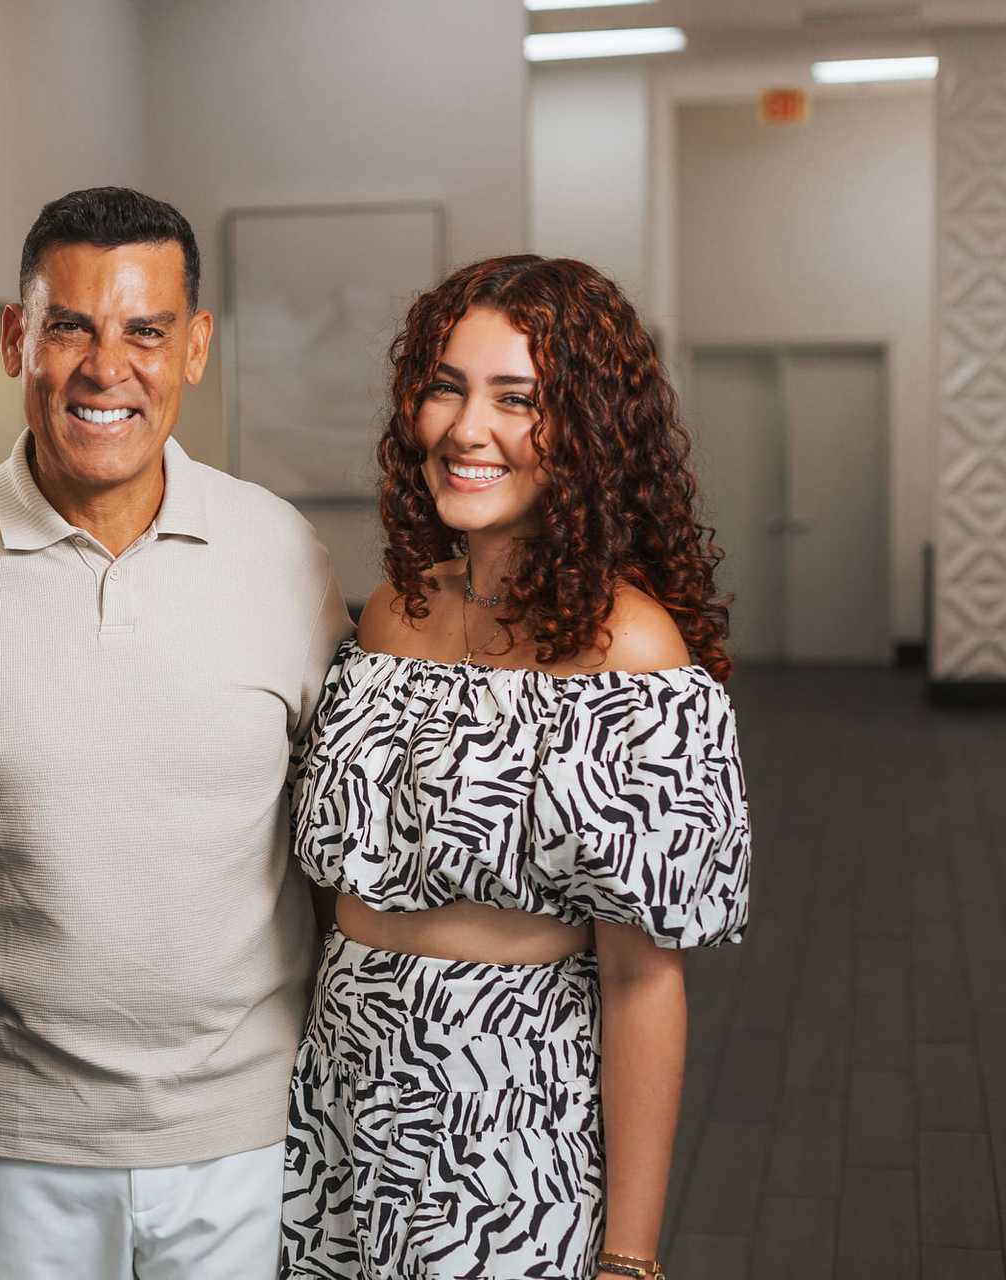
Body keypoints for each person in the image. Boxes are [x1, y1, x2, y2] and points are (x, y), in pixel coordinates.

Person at [0, 186, 352, 1278]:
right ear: (14, 338)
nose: (105, 365)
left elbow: (330, 845)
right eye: (71, 325)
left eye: (145, 329)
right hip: (8, 1133)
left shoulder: (285, 555)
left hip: (247, 1130)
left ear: (195, 347)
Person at [281, 255, 751, 1280]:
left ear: (588, 433)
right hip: (343, 1100)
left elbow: (640, 981)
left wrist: (629, 1255)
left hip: (508, 1123)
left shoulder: (632, 653)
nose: (465, 428)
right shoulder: (389, 614)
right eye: (445, 385)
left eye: (517, 398)